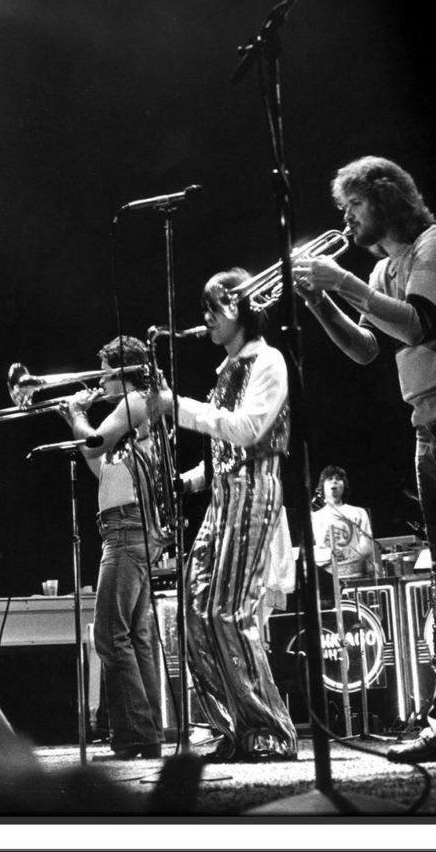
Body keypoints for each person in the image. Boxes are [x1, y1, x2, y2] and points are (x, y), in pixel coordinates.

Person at [293, 156, 436, 766]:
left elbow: (416, 326)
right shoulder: (383, 268)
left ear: (383, 199)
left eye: (352, 204)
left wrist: (341, 282)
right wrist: (318, 302)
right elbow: (364, 348)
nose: (345, 217)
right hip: (426, 426)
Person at [152, 268, 298, 763]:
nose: (207, 319)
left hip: (254, 490)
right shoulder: (229, 369)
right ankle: (233, 727)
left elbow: (249, 430)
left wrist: (179, 407)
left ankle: (269, 730)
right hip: (225, 493)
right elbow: (223, 449)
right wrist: (191, 479)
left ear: (241, 309)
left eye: (214, 307)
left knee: (228, 611)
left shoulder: (268, 361)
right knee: (192, 615)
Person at [57, 335, 165, 760]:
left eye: (104, 371)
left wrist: (80, 415)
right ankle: (144, 732)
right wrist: (75, 421)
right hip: (127, 528)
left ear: (122, 370)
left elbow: (95, 443)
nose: (100, 380)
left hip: (125, 531)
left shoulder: (136, 401)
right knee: (134, 638)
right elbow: (99, 465)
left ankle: (137, 733)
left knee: (109, 636)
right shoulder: (138, 412)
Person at [312, 464, 378, 581]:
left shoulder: (358, 512)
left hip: (355, 574)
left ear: (344, 485)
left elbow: (367, 546)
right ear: (322, 486)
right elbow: (310, 550)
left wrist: (347, 555)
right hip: (326, 577)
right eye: (330, 479)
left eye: (338, 479)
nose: (334, 482)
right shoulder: (315, 517)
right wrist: (330, 554)